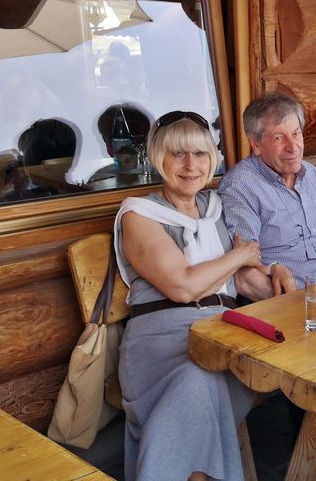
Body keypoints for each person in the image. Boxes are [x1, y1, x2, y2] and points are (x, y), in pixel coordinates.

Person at [114, 110, 264, 481]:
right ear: (157, 158)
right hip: (163, 337)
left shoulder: (217, 208)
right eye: (177, 153)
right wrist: (239, 255)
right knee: (199, 382)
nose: (191, 165)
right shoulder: (139, 214)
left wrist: (277, 275)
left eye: (199, 153)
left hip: (224, 331)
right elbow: (182, 286)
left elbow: (247, 276)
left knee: (243, 372)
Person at [219, 93, 316, 299]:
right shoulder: (241, 184)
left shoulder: (313, 174)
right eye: (278, 137)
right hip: (293, 305)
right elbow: (244, 275)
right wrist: (299, 307)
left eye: (296, 134)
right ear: (256, 145)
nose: (292, 146)